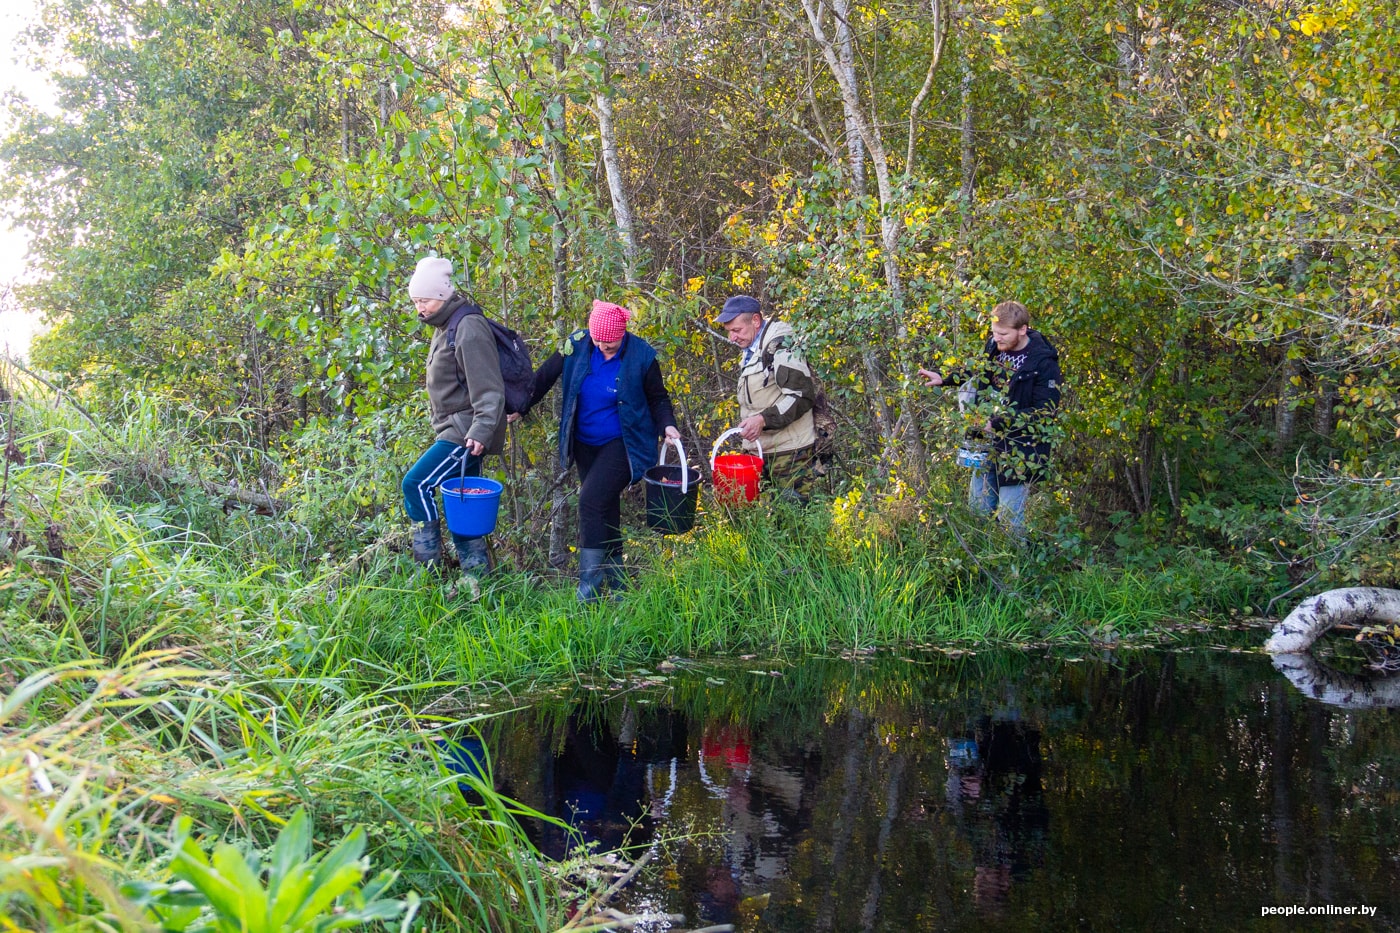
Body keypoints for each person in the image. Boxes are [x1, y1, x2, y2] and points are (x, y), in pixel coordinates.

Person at [518, 299, 680, 602]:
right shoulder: (576, 344)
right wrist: (519, 407)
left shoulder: (642, 356)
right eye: (599, 342)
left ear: (623, 335)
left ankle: (588, 592)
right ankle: (619, 588)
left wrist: (667, 426)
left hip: (623, 443)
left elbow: (658, 398)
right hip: (583, 444)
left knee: (590, 501)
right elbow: (543, 378)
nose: (604, 348)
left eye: (611, 344)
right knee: (605, 507)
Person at [400, 256, 506, 575]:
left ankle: (429, 572)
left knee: (415, 485)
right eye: (416, 301)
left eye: (426, 300)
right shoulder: (444, 324)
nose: (421, 308)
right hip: (458, 428)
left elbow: (489, 388)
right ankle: (477, 580)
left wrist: (482, 430)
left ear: (444, 295)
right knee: (461, 504)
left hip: (464, 432)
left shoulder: (468, 327)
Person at [918, 300, 1061, 534]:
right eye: (994, 333)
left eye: (1003, 334)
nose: (997, 338)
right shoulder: (994, 347)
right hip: (984, 442)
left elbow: (1045, 412)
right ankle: (980, 565)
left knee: (1009, 518)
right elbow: (977, 370)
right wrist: (944, 378)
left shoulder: (1043, 363)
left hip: (1020, 449)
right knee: (978, 510)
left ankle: (1017, 567)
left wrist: (995, 423)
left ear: (1022, 330)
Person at [717, 295, 819, 504]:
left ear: (755, 320)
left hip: (789, 455)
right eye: (729, 331)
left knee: (794, 523)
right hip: (763, 451)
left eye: (737, 330)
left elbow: (801, 396)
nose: (732, 338)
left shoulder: (780, 345)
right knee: (763, 524)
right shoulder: (753, 346)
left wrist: (762, 420)